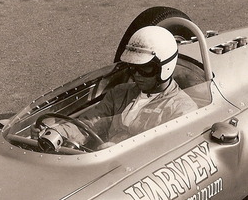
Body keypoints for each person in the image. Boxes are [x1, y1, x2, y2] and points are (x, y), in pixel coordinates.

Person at [45, 25, 198, 149]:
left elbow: (164, 153)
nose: (136, 75)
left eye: (145, 68)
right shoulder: (119, 93)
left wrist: (120, 151)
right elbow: (89, 123)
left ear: (165, 67)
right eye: (132, 67)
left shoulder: (183, 110)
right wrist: (57, 132)